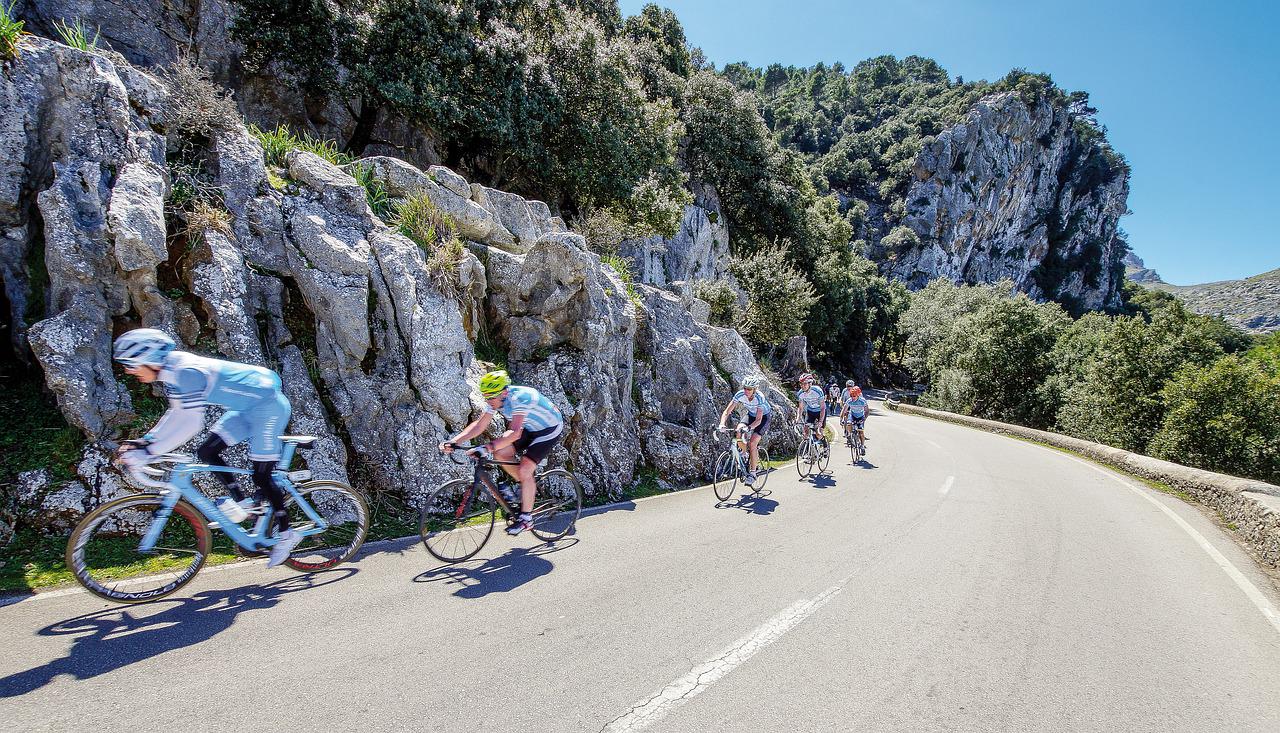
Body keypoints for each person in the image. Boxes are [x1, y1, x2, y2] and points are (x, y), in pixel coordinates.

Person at [112, 328, 301, 567]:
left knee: (261, 475)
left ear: (148, 358)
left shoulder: (186, 372)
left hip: (268, 409)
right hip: (245, 410)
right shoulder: (171, 373)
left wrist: (149, 452)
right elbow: (177, 414)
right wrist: (146, 441)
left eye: (130, 364)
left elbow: (191, 423)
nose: (129, 371)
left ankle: (287, 534)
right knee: (206, 452)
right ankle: (245, 503)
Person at [440, 370, 564, 535]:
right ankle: (526, 486)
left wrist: (487, 447)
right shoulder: (495, 399)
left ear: (504, 392)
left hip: (548, 429)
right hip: (528, 426)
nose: (488, 401)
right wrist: (455, 441)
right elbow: (480, 425)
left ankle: (526, 519)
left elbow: (514, 433)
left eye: (491, 397)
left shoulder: (520, 398)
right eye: (486, 397)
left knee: (525, 468)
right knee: (501, 453)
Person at [718, 376, 771, 486]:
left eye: (750, 389)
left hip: (763, 418)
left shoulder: (759, 397)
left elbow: (758, 420)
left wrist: (749, 428)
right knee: (738, 430)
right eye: (745, 388)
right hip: (751, 415)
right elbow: (727, 411)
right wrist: (722, 424)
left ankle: (753, 473)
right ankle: (744, 454)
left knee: (753, 442)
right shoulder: (740, 394)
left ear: (755, 389)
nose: (747, 391)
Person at [794, 372, 828, 454]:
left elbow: (823, 407)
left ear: (810, 383)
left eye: (804, 384)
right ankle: (811, 452)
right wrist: (798, 418)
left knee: (819, 433)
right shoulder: (800, 393)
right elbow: (801, 408)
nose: (802, 386)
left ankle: (825, 446)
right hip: (811, 412)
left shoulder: (818, 391)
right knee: (805, 432)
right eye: (801, 384)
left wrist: (820, 422)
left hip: (820, 411)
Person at [839, 380, 870, 450]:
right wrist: (841, 419)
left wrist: (864, 419)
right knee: (848, 423)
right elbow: (843, 410)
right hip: (852, 413)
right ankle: (849, 435)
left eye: (854, 396)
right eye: (851, 396)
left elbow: (867, 411)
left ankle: (862, 446)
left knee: (861, 432)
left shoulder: (862, 400)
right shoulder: (849, 399)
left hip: (860, 415)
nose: (852, 397)